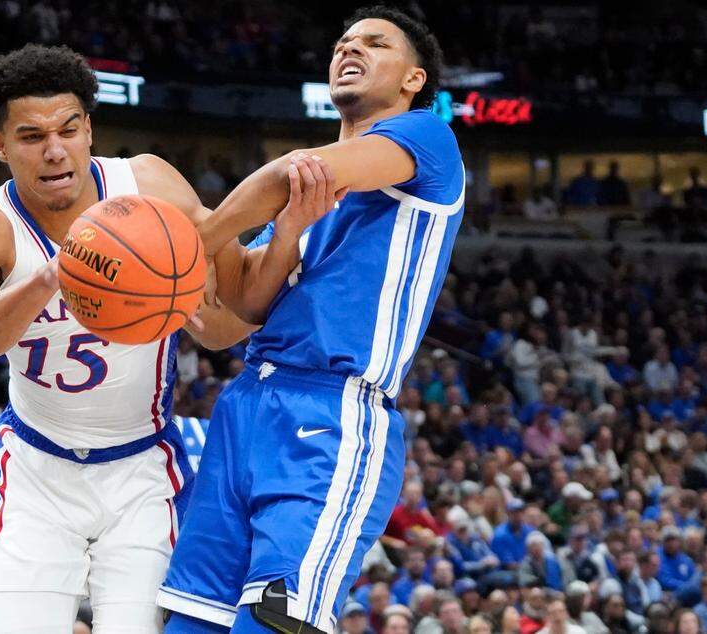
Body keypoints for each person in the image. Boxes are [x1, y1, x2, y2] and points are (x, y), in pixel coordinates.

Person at [0, 44, 293, 632]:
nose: (55, 150)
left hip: (141, 468)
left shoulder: (148, 184)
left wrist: (279, 242)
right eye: (30, 137)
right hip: (36, 469)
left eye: (69, 129)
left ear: (89, 130)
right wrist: (55, 274)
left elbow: (226, 328)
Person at [161, 6, 464, 631]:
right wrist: (279, 233)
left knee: (276, 620)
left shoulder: (426, 136)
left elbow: (293, 169)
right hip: (248, 400)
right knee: (194, 621)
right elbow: (247, 303)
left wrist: (195, 235)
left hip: (330, 411)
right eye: (343, 42)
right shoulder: (301, 199)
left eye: (375, 44)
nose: (350, 50)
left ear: (413, 79)